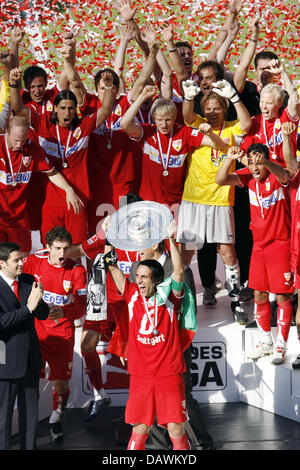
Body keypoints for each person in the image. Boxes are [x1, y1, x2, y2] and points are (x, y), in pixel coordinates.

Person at [105, 220, 196, 450]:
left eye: (144, 277)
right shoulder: (131, 294)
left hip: (169, 372)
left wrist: (171, 240)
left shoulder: (170, 297)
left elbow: (179, 270)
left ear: (156, 280)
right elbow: (112, 266)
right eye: (138, 276)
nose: (139, 280)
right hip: (141, 374)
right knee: (140, 428)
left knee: (176, 427)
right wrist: (107, 238)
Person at [9, 65, 116, 247]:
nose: (67, 113)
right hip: (50, 199)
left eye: (71, 108)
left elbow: (105, 111)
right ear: (55, 108)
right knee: (50, 247)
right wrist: (13, 84)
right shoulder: (43, 124)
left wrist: (107, 87)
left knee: (76, 247)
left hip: (77, 198)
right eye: (63, 108)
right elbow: (18, 107)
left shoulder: (83, 127)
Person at [129, 240, 214, 450]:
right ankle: (160, 447)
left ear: (157, 245)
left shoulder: (177, 274)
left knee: (180, 412)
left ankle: (202, 442)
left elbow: (185, 309)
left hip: (173, 353)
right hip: (146, 362)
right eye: (138, 278)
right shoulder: (136, 270)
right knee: (143, 424)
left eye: (144, 241)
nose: (138, 247)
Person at [178, 79, 252, 322]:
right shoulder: (198, 124)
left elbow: (247, 123)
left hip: (220, 201)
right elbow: (188, 116)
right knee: (186, 254)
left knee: (228, 254)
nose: (211, 112)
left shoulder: (232, 129)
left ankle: (234, 302)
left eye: (216, 108)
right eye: (208, 108)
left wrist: (234, 97)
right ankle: (185, 303)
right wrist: (189, 98)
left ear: (224, 109)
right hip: (193, 200)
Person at [215, 143, 294, 364]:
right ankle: (266, 342)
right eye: (252, 163)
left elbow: (284, 174)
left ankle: (281, 346)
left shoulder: (277, 177)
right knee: (259, 295)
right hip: (259, 247)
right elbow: (220, 180)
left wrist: (265, 162)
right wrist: (230, 159)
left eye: (259, 163)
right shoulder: (248, 176)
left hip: (280, 244)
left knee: (282, 297)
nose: (256, 168)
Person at [68, 193, 142, 422]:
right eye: (124, 215)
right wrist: (100, 235)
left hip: (132, 303)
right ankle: (100, 396)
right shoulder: (108, 234)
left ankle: (141, 404)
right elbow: (75, 252)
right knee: (87, 344)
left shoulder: (149, 239)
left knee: (132, 358)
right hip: (103, 301)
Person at [120, 85, 228, 215]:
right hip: (148, 203)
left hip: (175, 205)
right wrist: (142, 97)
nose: (164, 125)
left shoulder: (184, 133)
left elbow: (218, 145)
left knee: (172, 236)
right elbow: (124, 124)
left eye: (168, 120)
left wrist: (210, 133)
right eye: (159, 120)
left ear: (174, 118)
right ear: (154, 119)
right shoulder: (148, 133)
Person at [22, 227, 87, 443]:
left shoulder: (77, 270)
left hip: (63, 335)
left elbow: (81, 306)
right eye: (57, 248)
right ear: (47, 247)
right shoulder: (33, 261)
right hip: (37, 334)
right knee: (31, 380)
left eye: (66, 249)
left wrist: (66, 311)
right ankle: (30, 423)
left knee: (61, 384)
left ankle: (56, 416)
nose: (62, 254)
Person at [0, 114, 83, 257]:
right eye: (16, 140)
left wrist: (69, 189)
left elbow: (51, 172)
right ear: (7, 132)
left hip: (18, 216)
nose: (20, 145)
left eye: (23, 140)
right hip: (1, 214)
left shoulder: (32, 148)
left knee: (22, 257)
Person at [0, 242, 49, 450]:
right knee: (3, 418)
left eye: (22, 259)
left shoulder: (29, 280)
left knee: (30, 417)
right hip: (5, 362)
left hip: (30, 360)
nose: (21, 263)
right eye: (16, 260)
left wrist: (40, 301)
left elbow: (43, 314)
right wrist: (29, 308)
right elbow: (2, 322)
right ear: (2, 264)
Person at [241, 58, 300, 167]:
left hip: (288, 173)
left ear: (280, 103)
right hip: (266, 176)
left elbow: (295, 99)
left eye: (268, 103)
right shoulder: (255, 122)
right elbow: (243, 153)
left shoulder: (286, 117)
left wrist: (282, 73)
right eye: (262, 102)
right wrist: (254, 168)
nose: (264, 106)